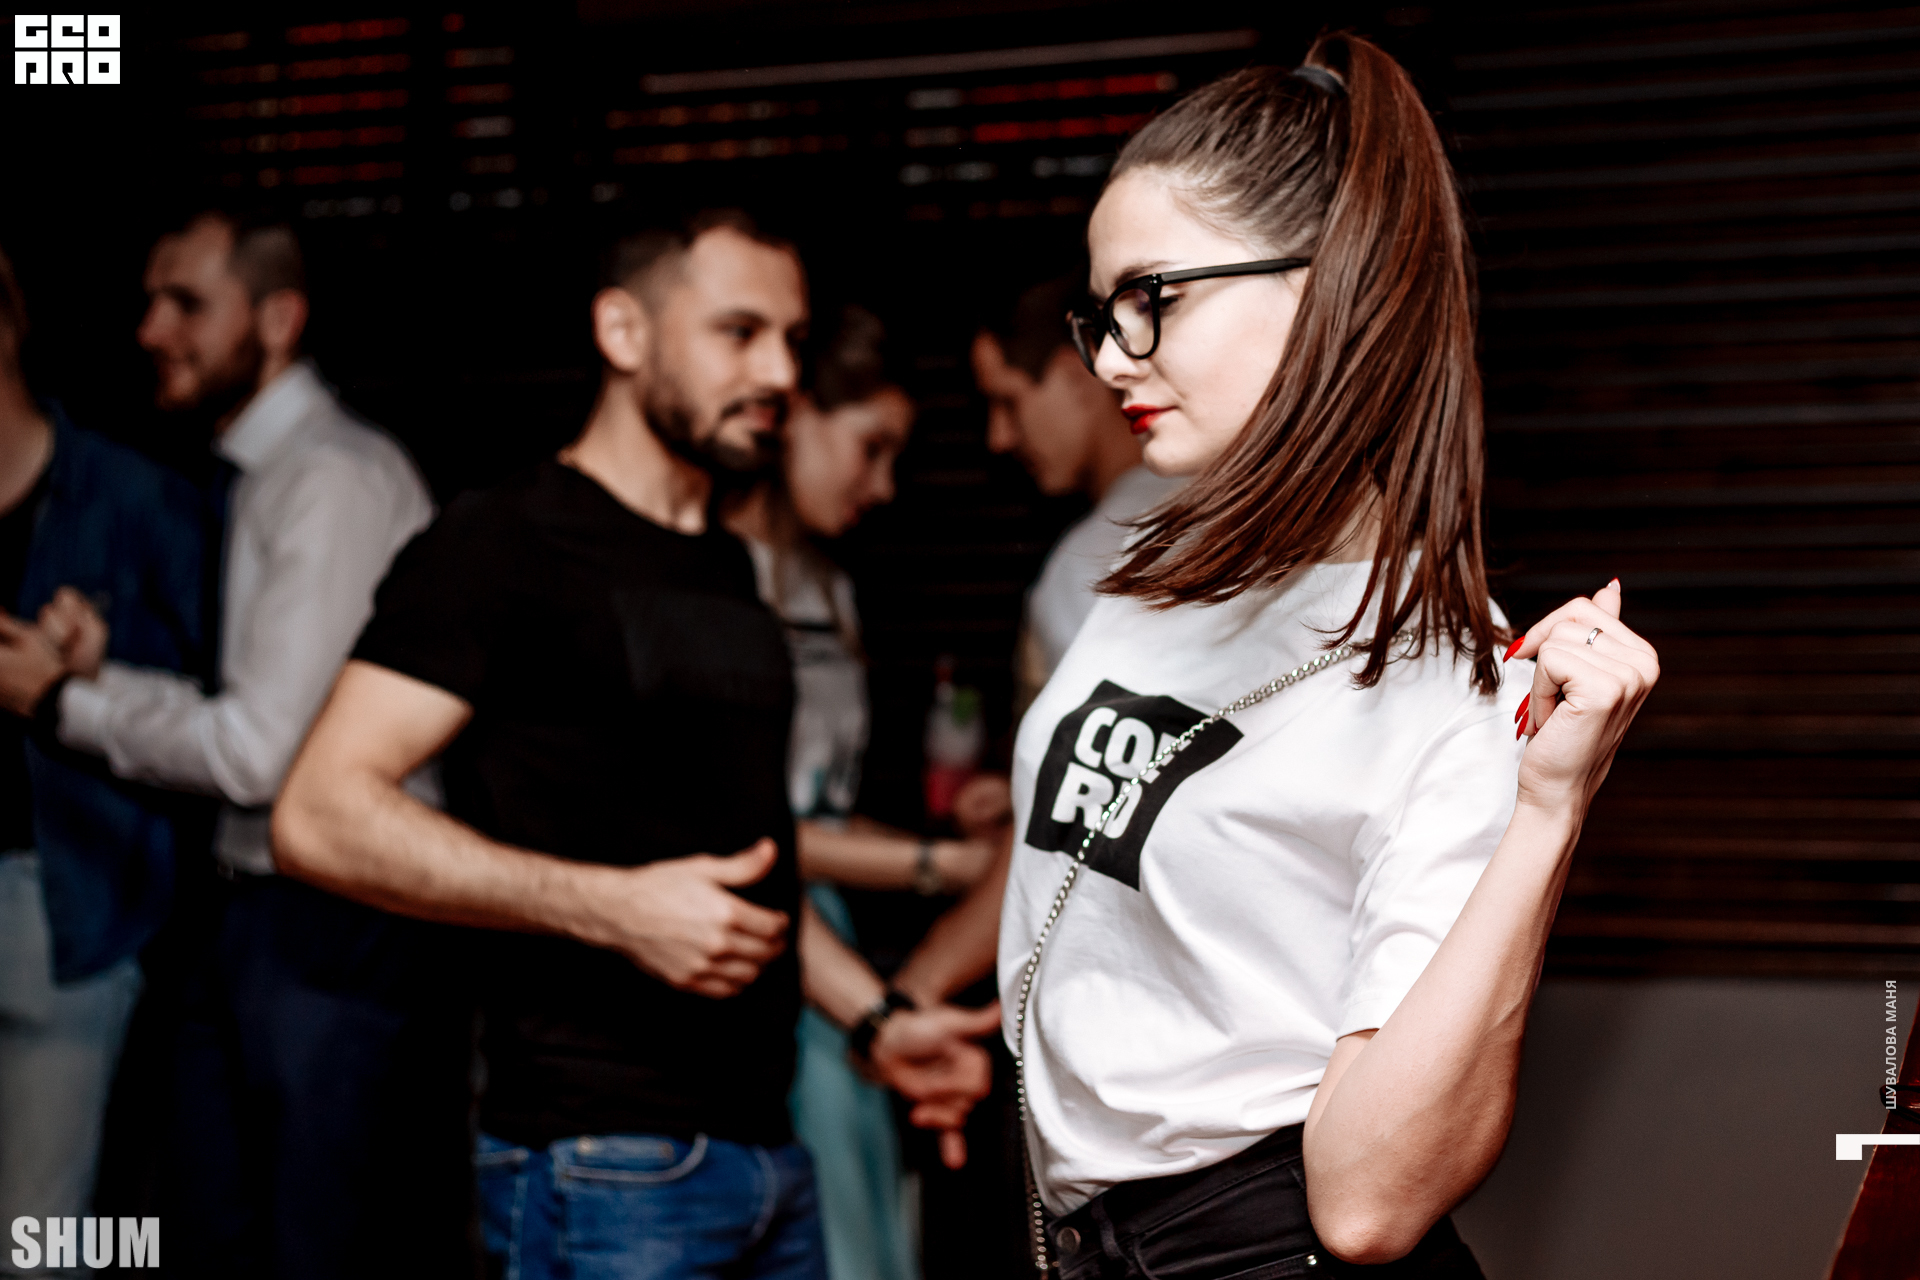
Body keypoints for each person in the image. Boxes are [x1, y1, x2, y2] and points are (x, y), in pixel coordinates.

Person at [998, 34, 1660, 1278]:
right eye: (1101, 313)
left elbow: (1368, 1203)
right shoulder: (1141, 579)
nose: (1111, 357)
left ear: (1329, 290)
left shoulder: (1448, 682)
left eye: (1154, 297)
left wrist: (1548, 809)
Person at [272, 212, 999, 1280]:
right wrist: (609, 906)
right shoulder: (501, 541)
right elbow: (318, 813)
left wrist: (878, 1022)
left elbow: (750, 879)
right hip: (600, 1165)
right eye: (739, 333)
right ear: (623, 332)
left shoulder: (730, 574)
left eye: (791, 341)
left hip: (772, 1156)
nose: (778, 373)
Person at [0, 210, 464, 1278]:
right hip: (254, 910)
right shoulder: (256, 474)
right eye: (150, 302)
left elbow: (262, 753)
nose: (151, 330)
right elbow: (255, 707)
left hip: (330, 922)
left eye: (187, 304)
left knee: (309, 1244)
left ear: (278, 320)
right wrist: (93, 679)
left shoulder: (330, 480)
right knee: (202, 1231)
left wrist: (64, 705)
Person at [0, 245, 204, 1266]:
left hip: (67, 909)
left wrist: (92, 676)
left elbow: (223, 707)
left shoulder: (136, 498)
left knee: (44, 1236)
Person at [972, 275, 1183, 711]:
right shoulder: (1227, 504)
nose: (999, 437)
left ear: (1073, 377)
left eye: (1009, 401)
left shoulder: (1089, 565)